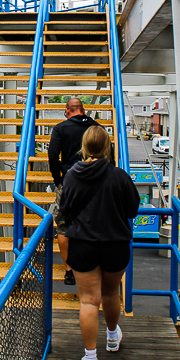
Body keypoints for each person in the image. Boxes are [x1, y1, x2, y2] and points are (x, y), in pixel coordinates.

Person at [60, 125, 139, 360]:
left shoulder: (71, 175)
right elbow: (132, 209)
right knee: (111, 293)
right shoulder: (119, 176)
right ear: (107, 146)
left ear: (84, 146)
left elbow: (65, 209)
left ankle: (91, 358)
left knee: (88, 300)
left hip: (83, 244)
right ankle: (113, 338)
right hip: (115, 244)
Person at [48, 97, 111, 286]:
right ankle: (95, 265)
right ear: (83, 110)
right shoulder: (98, 128)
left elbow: (52, 156)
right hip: (97, 182)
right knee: (96, 222)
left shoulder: (60, 128)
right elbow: (110, 154)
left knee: (63, 226)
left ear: (67, 110)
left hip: (69, 182)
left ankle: (69, 271)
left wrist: (58, 180)